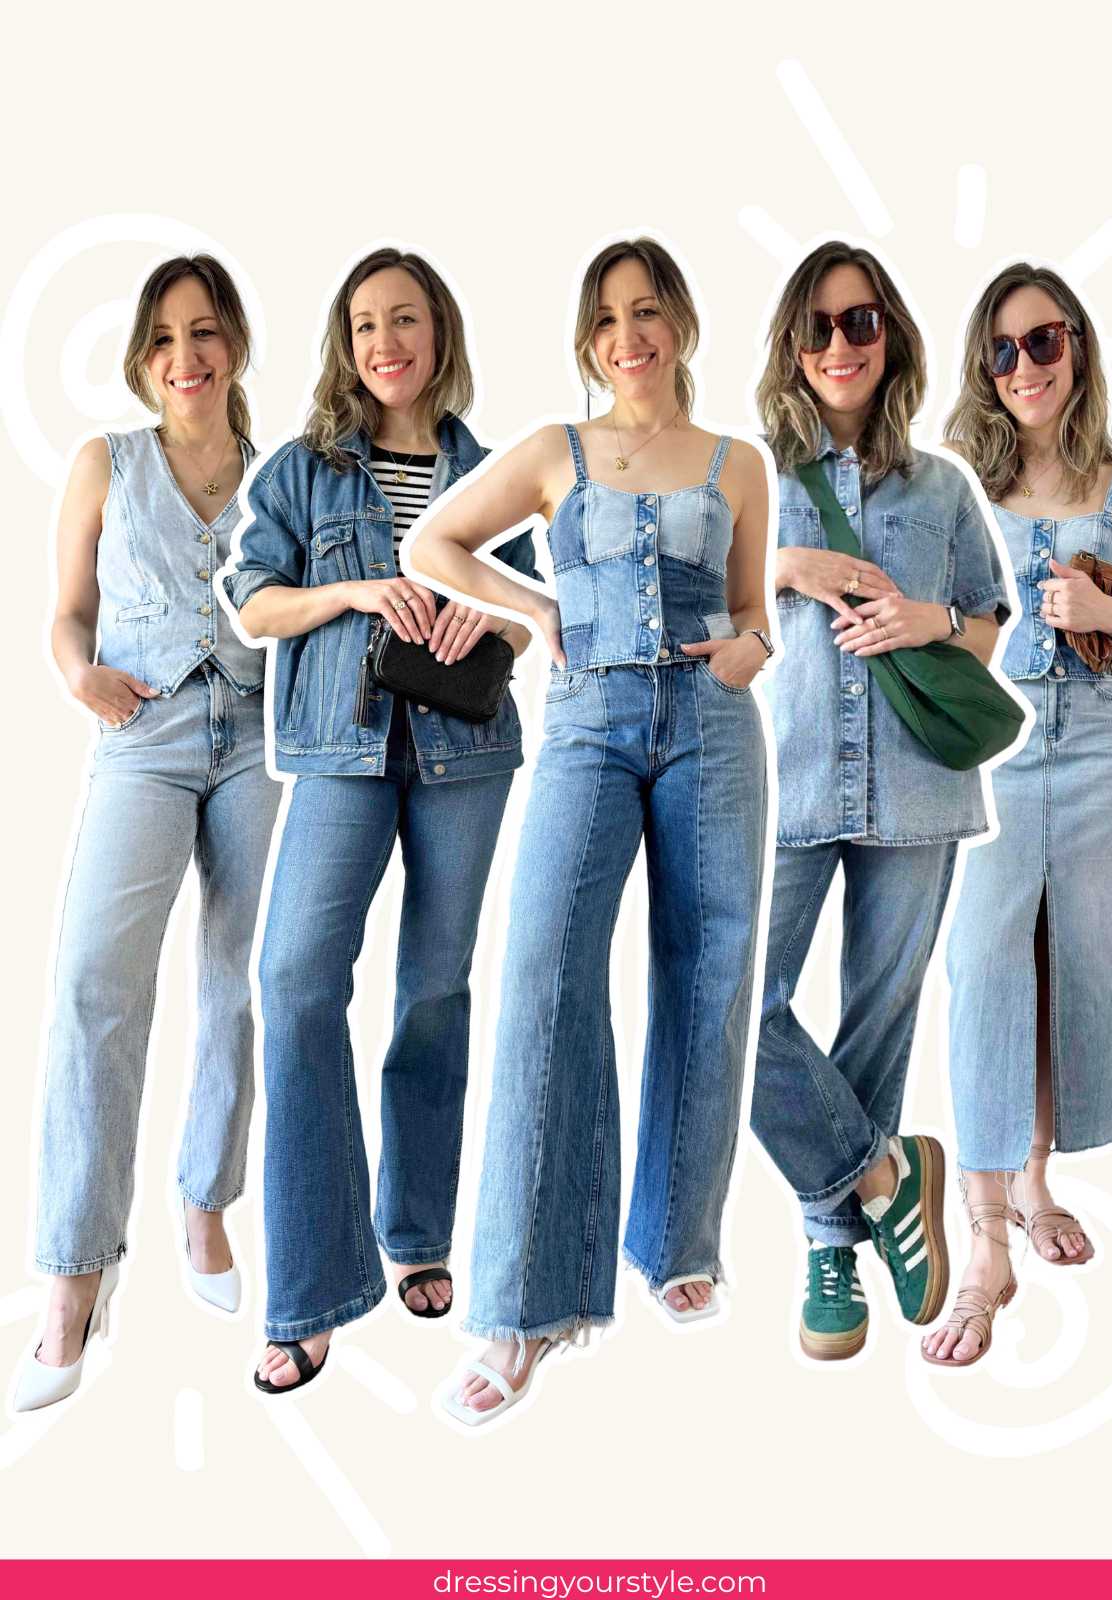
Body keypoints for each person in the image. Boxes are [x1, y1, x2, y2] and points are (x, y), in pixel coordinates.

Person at [411, 237, 771, 1423]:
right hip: (590, 721)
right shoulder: (554, 453)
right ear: (587, 340)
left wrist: (750, 650)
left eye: (651, 309)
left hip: (712, 722)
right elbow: (434, 545)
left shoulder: (738, 463)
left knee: (708, 967)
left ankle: (675, 1239)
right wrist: (536, 606)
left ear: (681, 325)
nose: (632, 334)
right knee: (546, 969)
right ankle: (521, 1306)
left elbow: (759, 615)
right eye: (611, 317)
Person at [223, 247, 538, 1394]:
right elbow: (254, 599)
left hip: (464, 754)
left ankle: (418, 1231)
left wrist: (485, 626)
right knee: (297, 977)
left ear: (440, 333)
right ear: (346, 345)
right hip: (341, 752)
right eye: (364, 324)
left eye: (404, 319)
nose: (384, 341)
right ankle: (308, 1285)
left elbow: (539, 609)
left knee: (436, 988)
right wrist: (357, 593)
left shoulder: (494, 470)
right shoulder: (306, 472)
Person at [14, 255, 279, 1412]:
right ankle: (78, 1269)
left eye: (208, 331)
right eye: (167, 337)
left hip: (264, 736)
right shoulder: (105, 465)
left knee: (243, 974)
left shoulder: (282, 478)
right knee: (92, 983)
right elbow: (66, 612)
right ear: (143, 358)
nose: (188, 355)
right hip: (146, 731)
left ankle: (204, 1201)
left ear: (235, 346)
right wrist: (80, 676)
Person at [747, 241, 1010, 1363]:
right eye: (818, 328)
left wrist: (929, 622)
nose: (841, 345)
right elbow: (693, 594)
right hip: (786, 778)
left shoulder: (943, 482)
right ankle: (883, 1174)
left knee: (876, 1026)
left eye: (861, 323)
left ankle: (828, 1250)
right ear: (792, 349)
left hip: (916, 782)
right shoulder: (747, 475)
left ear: (890, 335)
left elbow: (994, 619)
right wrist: (792, 570)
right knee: (732, 1010)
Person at [923, 263, 1112, 1367]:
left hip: (1102, 754)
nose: (1025, 367)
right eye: (1003, 351)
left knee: (1070, 966)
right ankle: (986, 1243)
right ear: (986, 370)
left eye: (1044, 343)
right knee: (984, 968)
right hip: (994, 754)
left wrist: (1108, 606)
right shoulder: (957, 489)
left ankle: (1033, 1182)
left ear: (1076, 348)